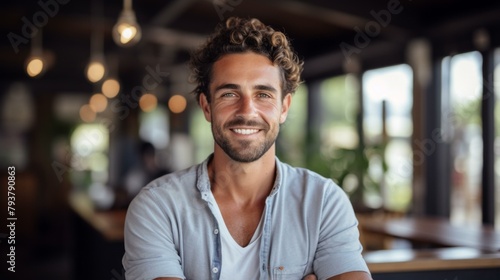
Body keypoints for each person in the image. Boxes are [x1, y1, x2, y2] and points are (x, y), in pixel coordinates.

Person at [122, 17, 371, 280]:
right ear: (206, 106)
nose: (247, 111)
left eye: (263, 94)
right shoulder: (157, 207)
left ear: (284, 107)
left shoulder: (323, 203)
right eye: (229, 94)